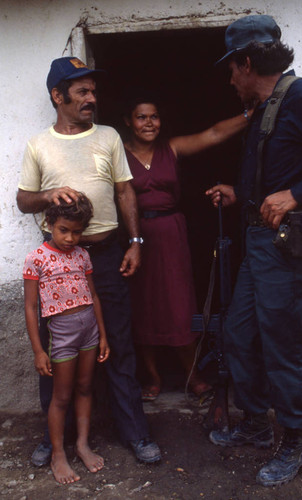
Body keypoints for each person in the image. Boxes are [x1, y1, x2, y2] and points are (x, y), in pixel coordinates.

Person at [206, 15, 302, 487]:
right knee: (240, 332)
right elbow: (272, 174)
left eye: (231, 69)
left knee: (284, 341)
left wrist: (298, 194)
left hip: (287, 246)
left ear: (247, 63)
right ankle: (254, 422)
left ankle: (294, 439)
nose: (230, 79)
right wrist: (239, 192)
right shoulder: (266, 107)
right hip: (258, 242)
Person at [17, 56, 161, 466]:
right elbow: (23, 199)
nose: (91, 98)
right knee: (55, 348)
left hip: (107, 256)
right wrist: (48, 196)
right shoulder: (39, 145)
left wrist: (134, 241)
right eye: (81, 91)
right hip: (57, 264)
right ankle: (53, 438)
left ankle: (134, 432)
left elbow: (125, 192)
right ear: (57, 96)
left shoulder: (109, 137)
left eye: (93, 91)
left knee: (115, 343)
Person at [123, 96, 251, 401]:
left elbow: (214, 134)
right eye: (141, 117)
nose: (149, 123)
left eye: (154, 116)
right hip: (137, 236)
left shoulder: (172, 148)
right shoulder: (118, 152)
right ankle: (152, 378)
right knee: (144, 306)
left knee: (180, 303)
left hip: (171, 232)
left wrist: (252, 113)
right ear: (129, 121)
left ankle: (192, 374)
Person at [23, 196, 110, 484]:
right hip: (61, 333)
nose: (70, 238)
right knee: (61, 396)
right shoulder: (36, 258)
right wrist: (38, 350)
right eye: (63, 230)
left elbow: (94, 296)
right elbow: (30, 307)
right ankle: (57, 453)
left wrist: (103, 336)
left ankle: (82, 444)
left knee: (85, 387)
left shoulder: (83, 256)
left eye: (77, 231)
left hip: (89, 330)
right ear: (49, 224)